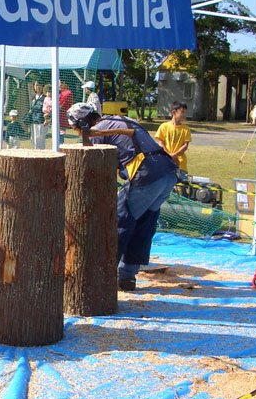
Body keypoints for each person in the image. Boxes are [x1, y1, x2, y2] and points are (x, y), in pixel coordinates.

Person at [67, 102, 178, 292]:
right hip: (168, 174)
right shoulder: (121, 120)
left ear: (82, 123)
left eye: (75, 128)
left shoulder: (98, 131)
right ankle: (127, 277)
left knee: (118, 222)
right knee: (143, 223)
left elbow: (96, 164)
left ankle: (103, 277)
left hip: (146, 175)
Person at [154, 101, 191, 172]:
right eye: (182, 112)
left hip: (180, 163)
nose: (184, 114)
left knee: (181, 178)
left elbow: (185, 145)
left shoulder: (186, 129)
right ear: (174, 112)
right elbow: (161, 143)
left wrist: (174, 155)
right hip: (165, 160)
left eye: (185, 112)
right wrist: (169, 156)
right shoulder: (164, 126)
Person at [29, 80, 46, 149]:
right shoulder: (33, 97)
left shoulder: (44, 98)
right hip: (33, 121)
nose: (38, 87)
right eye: (36, 85)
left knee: (39, 140)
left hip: (41, 121)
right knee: (33, 139)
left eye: (40, 85)